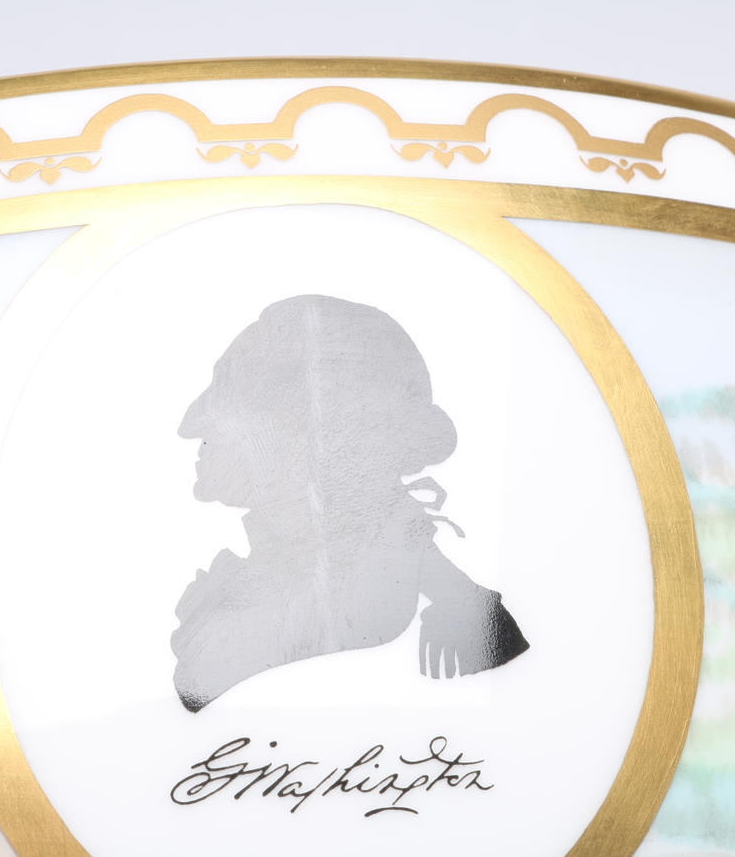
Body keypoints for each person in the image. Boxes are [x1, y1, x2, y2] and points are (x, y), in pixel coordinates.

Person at [171, 295, 528, 712]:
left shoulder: (415, 588)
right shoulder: (247, 584)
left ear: (304, 433)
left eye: (231, 399)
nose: (191, 428)